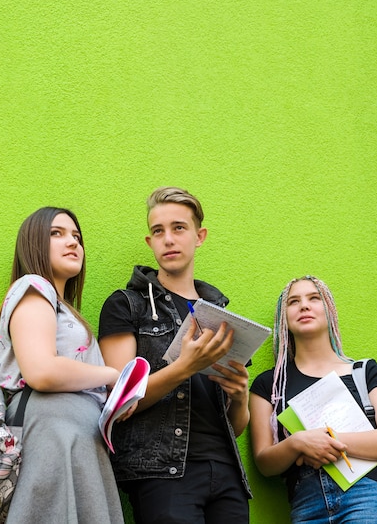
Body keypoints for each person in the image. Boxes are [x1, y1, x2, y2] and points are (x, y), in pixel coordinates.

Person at [98, 186, 252, 524]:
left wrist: (240, 399)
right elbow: (118, 402)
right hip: (162, 474)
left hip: (227, 472)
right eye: (158, 231)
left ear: (200, 236)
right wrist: (185, 367)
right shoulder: (127, 304)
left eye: (179, 228)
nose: (168, 239)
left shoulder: (222, 317)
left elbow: (237, 426)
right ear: (149, 242)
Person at [0, 207, 125, 524]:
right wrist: (111, 376)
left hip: (71, 439)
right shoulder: (34, 288)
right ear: (33, 244)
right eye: (57, 233)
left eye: (77, 237)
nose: (73, 242)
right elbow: (41, 371)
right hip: (52, 435)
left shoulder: (61, 306)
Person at [249, 275, 377, 523]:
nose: (304, 306)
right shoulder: (269, 385)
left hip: (369, 494)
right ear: (284, 319)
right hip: (306, 503)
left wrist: (324, 442)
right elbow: (264, 462)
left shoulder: (364, 372)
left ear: (329, 310)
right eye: (293, 301)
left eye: (314, 298)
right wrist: (298, 443)